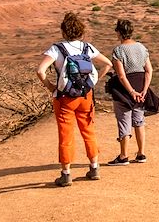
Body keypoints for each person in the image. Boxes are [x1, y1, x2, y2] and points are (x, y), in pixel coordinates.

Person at [36, 12, 112, 187]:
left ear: (64, 32)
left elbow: (40, 70)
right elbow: (108, 63)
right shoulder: (87, 48)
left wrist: (50, 86)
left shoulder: (57, 49)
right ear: (81, 32)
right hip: (85, 96)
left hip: (65, 98)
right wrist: (93, 82)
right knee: (88, 131)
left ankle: (66, 174)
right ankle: (94, 168)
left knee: (65, 135)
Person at [107, 19, 153, 166]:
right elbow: (149, 70)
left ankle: (123, 156)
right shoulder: (141, 47)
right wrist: (144, 90)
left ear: (119, 32)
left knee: (124, 120)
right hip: (140, 87)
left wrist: (131, 91)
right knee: (139, 121)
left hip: (124, 90)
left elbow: (121, 75)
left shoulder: (118, 50)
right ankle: (141, 153)